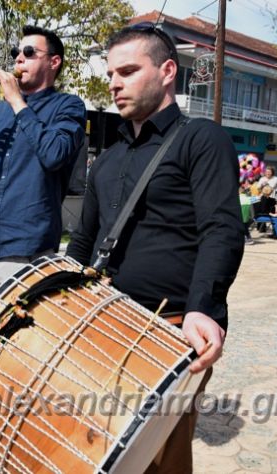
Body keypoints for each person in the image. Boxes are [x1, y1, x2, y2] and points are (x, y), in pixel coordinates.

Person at [66, 24, 244, 473]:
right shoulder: (106, 159)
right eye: (111, 73)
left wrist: (203, 308)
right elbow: (84, 241)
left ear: (167, 71)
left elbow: (221, 229)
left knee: (159, 460)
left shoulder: (201, 139)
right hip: (105, 323)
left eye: (127, 70)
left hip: (172, 329)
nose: (114, 83)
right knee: (101, 451)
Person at [0, 25, 86, 312]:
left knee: (20, 349)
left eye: (29, 52)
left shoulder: (68, 107)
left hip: (27, 255)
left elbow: (54, 155)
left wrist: (18, 103)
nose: (19, 58)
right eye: (16, 53)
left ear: (53, 62)